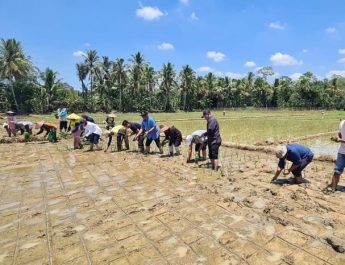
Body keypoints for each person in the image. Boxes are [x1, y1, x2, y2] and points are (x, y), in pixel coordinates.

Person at [324, 120, 345, 193]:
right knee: (337, 171)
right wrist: (337, 138)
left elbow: (341, 139)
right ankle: (333, 187)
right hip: (342, 152)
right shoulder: (342, 123)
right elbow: (339, 134)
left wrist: (341, 141)